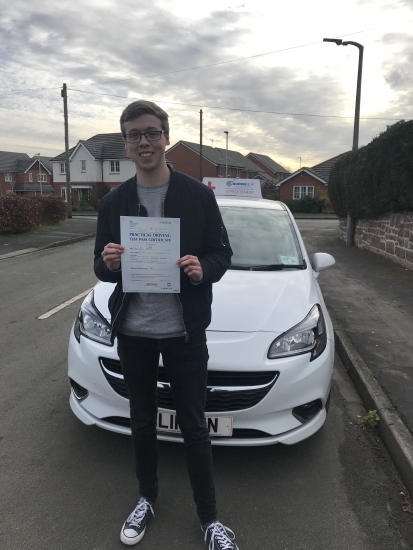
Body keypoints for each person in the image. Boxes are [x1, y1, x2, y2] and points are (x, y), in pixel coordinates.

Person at [93, 100, 239, 549]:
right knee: (141, 422)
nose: (144, 142)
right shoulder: (113, 203)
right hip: (135, 333)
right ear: (126, 142)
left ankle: (211, 519)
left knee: (194, 426)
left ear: (165, 137)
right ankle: (147, 497)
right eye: (135, 134)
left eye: (152, 132)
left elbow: (222, 255)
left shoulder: (199, 196)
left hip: (184, 333)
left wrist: (202, 268)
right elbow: (101, 270)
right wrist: (109, 262)